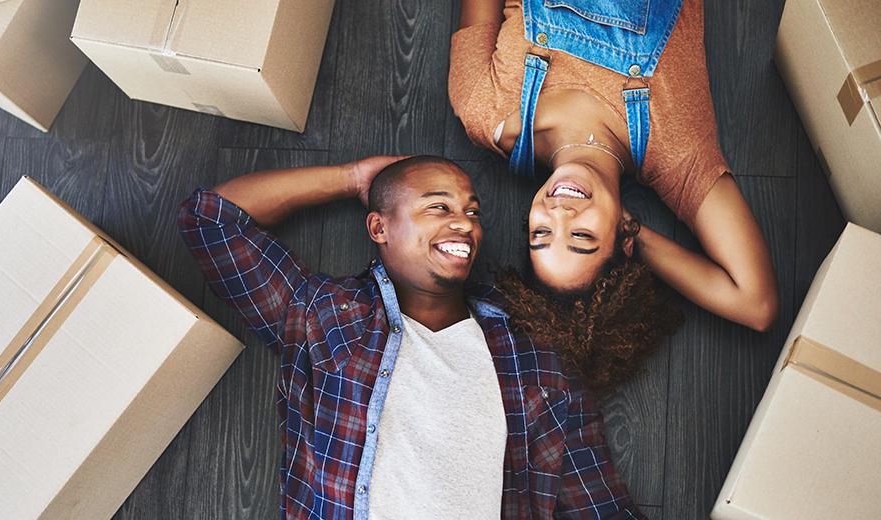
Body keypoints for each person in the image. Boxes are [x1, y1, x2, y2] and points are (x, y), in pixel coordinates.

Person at [178, 155, 645, 518]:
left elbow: (597, 505)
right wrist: (353, 177)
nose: (464, 222)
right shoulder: (326, 315)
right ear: (379, 226)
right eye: (438, 206)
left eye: (471, 211)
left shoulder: (536, 351)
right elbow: (212, 220)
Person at [449, 0, 780, 344]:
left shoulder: (482, 107)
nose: (560, 214)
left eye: (542, 233)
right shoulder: (676, 150)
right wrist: (634, 232)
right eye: (581, 237)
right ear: (623, 240)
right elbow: (756, 304)